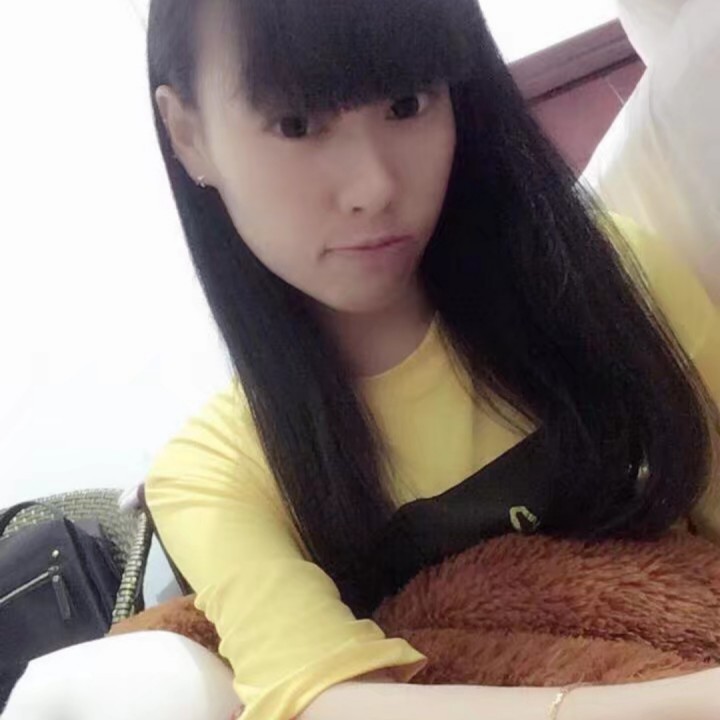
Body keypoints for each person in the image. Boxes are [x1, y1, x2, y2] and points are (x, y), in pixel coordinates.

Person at [5, 0, 720, 718]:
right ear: (188, 134)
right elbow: (333, 703)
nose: (374, 185)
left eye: (408, 104)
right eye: (297, 124)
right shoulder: (216, 472)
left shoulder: (608, 283)